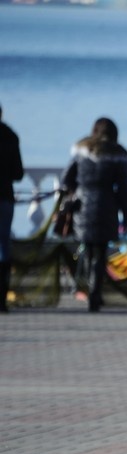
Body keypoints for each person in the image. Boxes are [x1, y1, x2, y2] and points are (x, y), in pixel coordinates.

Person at [62, 117, 127, 312]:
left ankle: (84, 289)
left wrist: (73, 193)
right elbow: (123, 189)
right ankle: (95, 294)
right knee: (100, 253)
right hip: (107, 206)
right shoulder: (118, 156)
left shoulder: (81, 151)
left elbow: (66, 179)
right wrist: (126, 216)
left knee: (88, 248)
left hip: (82, 205)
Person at [0, 103, 24, 313]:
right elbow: (18, 173)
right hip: (4, 197)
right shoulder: (9, 136)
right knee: (3, 247)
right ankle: (2, 298)